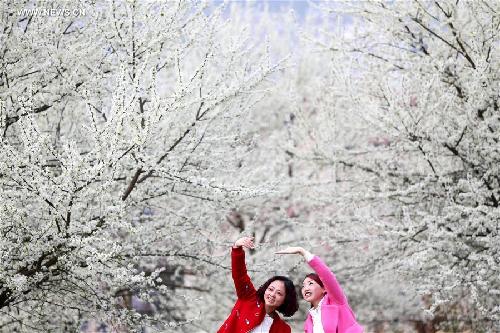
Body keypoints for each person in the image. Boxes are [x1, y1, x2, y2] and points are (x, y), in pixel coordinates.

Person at [218, 237, 299, 333]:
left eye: (279, 293)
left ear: (285, 300)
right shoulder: (248, 298)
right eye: (271, 289)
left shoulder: (283, 329)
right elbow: (240, 275)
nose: (272, 294)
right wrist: (237, 248)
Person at [276, 246, 363, 333]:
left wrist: (302, 252)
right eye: (303, 286)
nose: (306, 288)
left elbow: (327, 275)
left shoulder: (336, 301)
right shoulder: (309, 322)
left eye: (310, 283)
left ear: (324, 288)